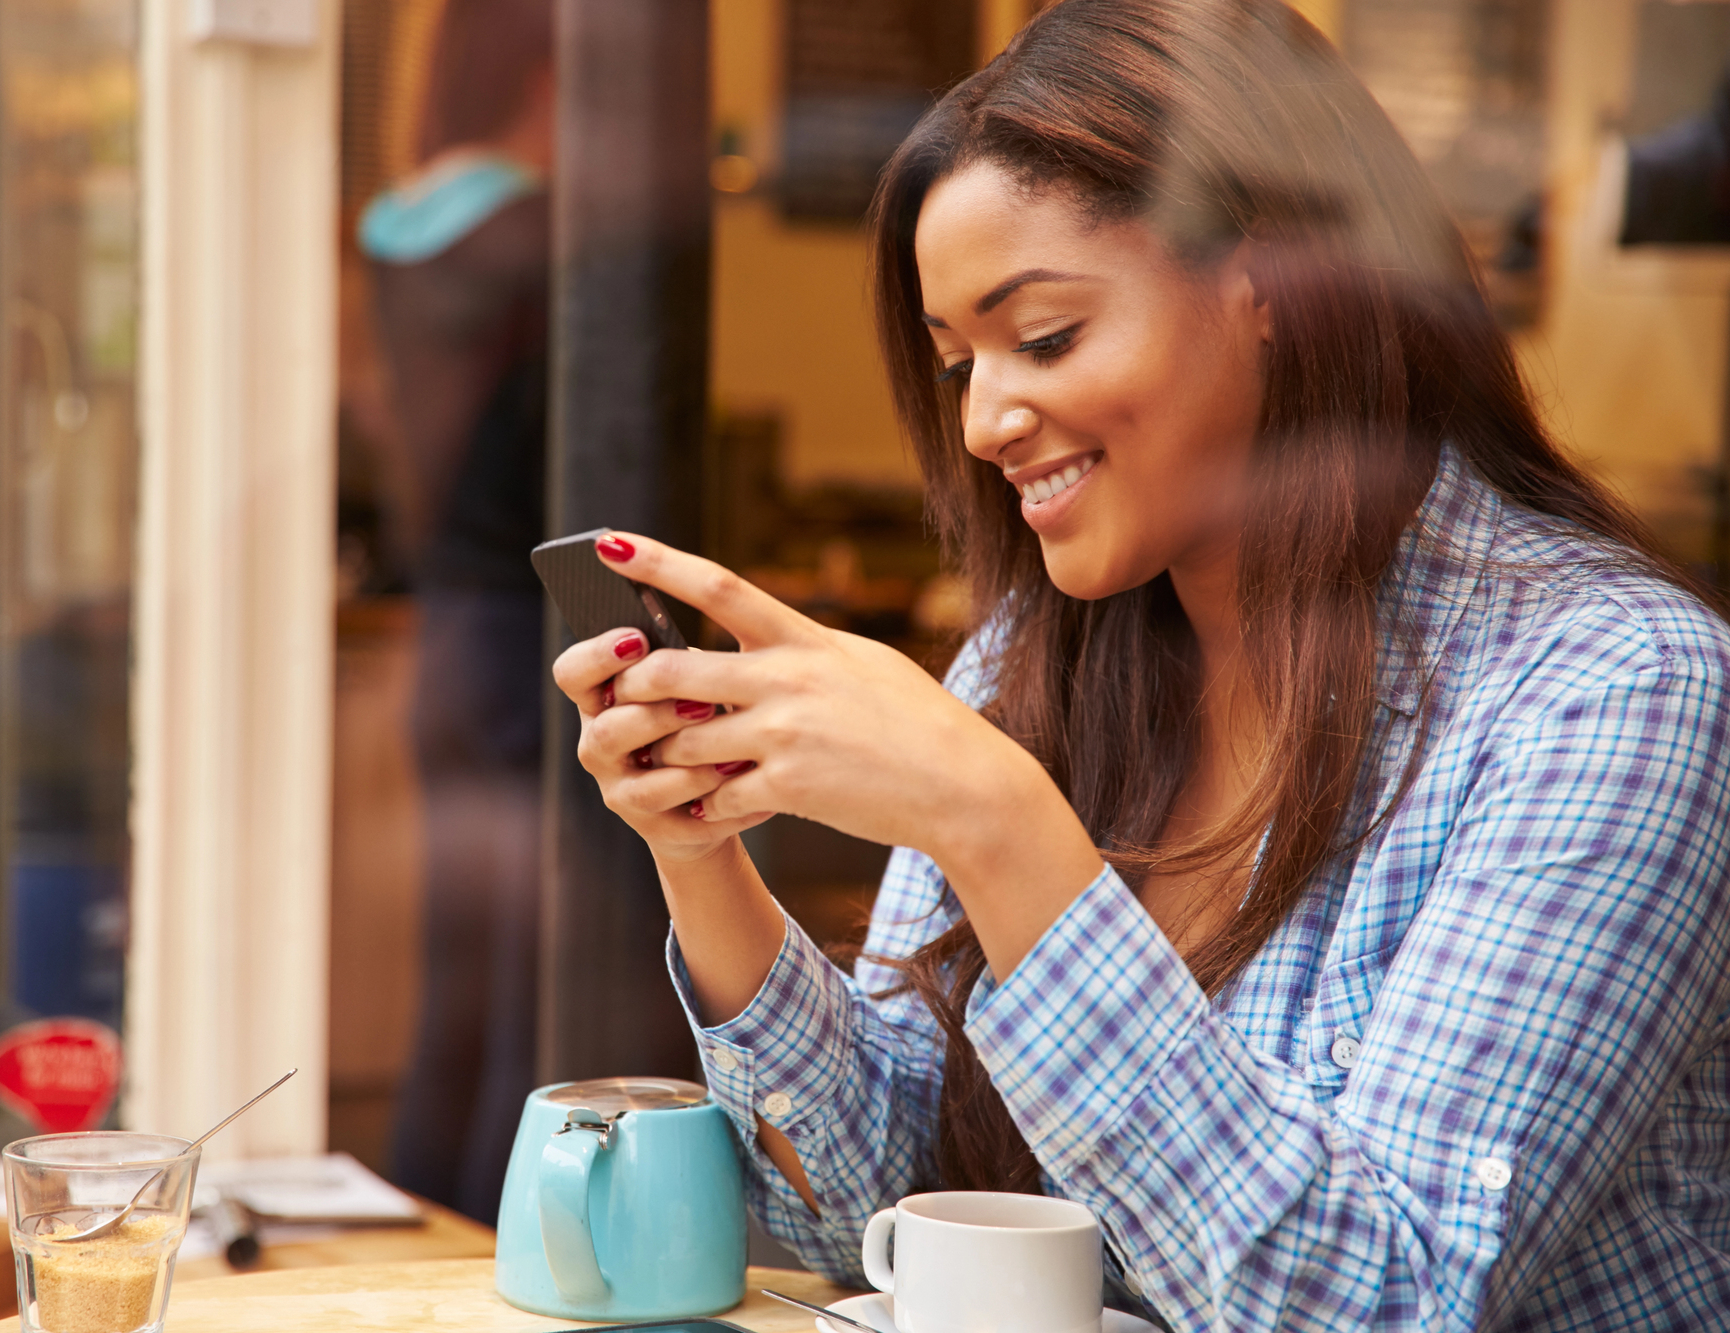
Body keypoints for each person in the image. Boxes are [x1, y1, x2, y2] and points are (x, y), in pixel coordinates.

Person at [550, 2, 1730, 1329]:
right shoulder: (1036, 657)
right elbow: (865, 1210)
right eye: (957, 363)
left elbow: (1381, 1304)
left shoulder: (1610, 688)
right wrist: (703, 853)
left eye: (1044, 336)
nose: (988, 419)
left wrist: (996, 824)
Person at [361, 0, 552, 1223]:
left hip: (445, 630)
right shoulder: (538, 234)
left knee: (460, 985)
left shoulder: (396, 230)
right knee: (542, 993)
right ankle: (504, 1248)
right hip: (524, 637)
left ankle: (421, 1223)